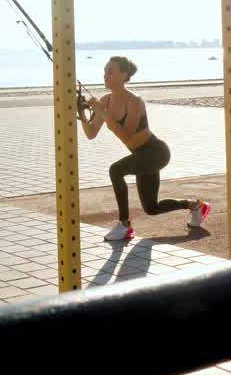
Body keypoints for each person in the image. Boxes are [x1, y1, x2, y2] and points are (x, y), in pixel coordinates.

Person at [79, 56, 210, 242]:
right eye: (104, 71)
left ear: (124, 75)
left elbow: (128, 136)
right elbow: (91, 133)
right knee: (152, 208)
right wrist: (83, 113)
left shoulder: (134, 101)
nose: (105, 76)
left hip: (156, 152)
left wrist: (103, 113)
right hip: (140, 155)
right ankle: (196, 206)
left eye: (110, 71)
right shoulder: (105, 101)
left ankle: (124, 225)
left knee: (115, 170)